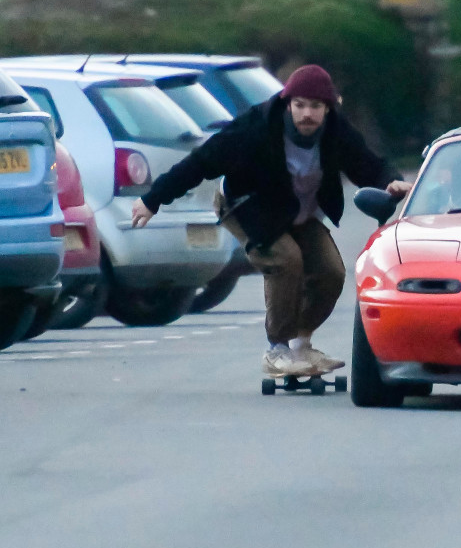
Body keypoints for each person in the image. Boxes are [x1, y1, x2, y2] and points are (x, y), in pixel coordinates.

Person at [131, 65, 412, 377]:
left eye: (316, 107)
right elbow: (200, 162)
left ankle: (300, 346)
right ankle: (277, 349)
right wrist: (152, 200)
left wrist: (392, 181)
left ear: (330, 107)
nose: (307, 115)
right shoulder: (256, 128)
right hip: (248, 207)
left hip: (298, 212)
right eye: (299, 105)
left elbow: (370, 165)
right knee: (285, 260)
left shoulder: (336, 131)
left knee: (331, 272)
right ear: (287, 102)